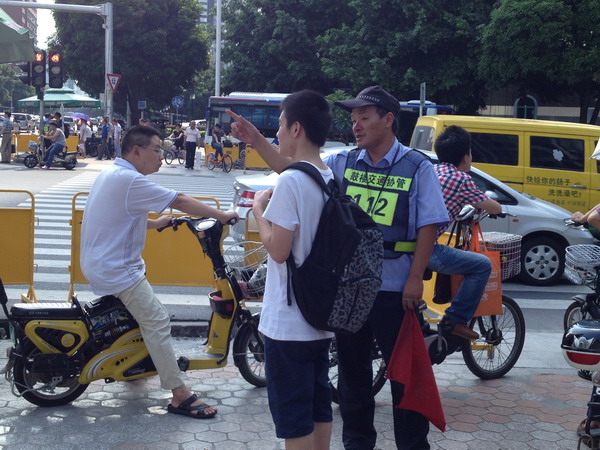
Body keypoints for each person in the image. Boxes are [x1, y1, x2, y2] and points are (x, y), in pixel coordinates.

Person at [227, 85, 449, 450]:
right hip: (351, 289)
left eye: (365, 118)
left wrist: (414, 280)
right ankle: (358, 444)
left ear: (388, 120)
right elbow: (297, 169)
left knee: (404, 378)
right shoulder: (343, 161)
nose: (357, 125)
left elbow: (429, 224)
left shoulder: (416, 165)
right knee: (352, 375)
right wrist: (255, 139)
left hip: (396, 286)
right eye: (353, 119)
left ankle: (412, 445)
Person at [80, 125, 238, 419]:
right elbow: (179, 199)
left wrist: (156, 223)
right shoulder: (129, 179)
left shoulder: (113, 174)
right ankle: (180, 395)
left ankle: (133, 371)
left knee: (138, 319)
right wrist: (223, 215)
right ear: (137, 151)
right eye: (157, 151)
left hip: (101, 263)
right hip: (118, 270)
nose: (162, 158)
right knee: (157, 320)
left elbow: (122, 214)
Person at [251, 90, 335, 449]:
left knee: (293, 418)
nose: (278, 135)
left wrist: (258, 213)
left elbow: (279, 251)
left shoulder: (290, 182)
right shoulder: (328, 176)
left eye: (281, 127)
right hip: (320, 319)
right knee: (319, 407)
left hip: (287, 325)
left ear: (297, 128)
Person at [428, 125, 502, 340]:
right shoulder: (461, 179)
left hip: (404, 242)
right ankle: (455, 319)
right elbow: (495, 208)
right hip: (424, 248)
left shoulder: (431, 170)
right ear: (466, 156)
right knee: (482, 265)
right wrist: (495, 207)